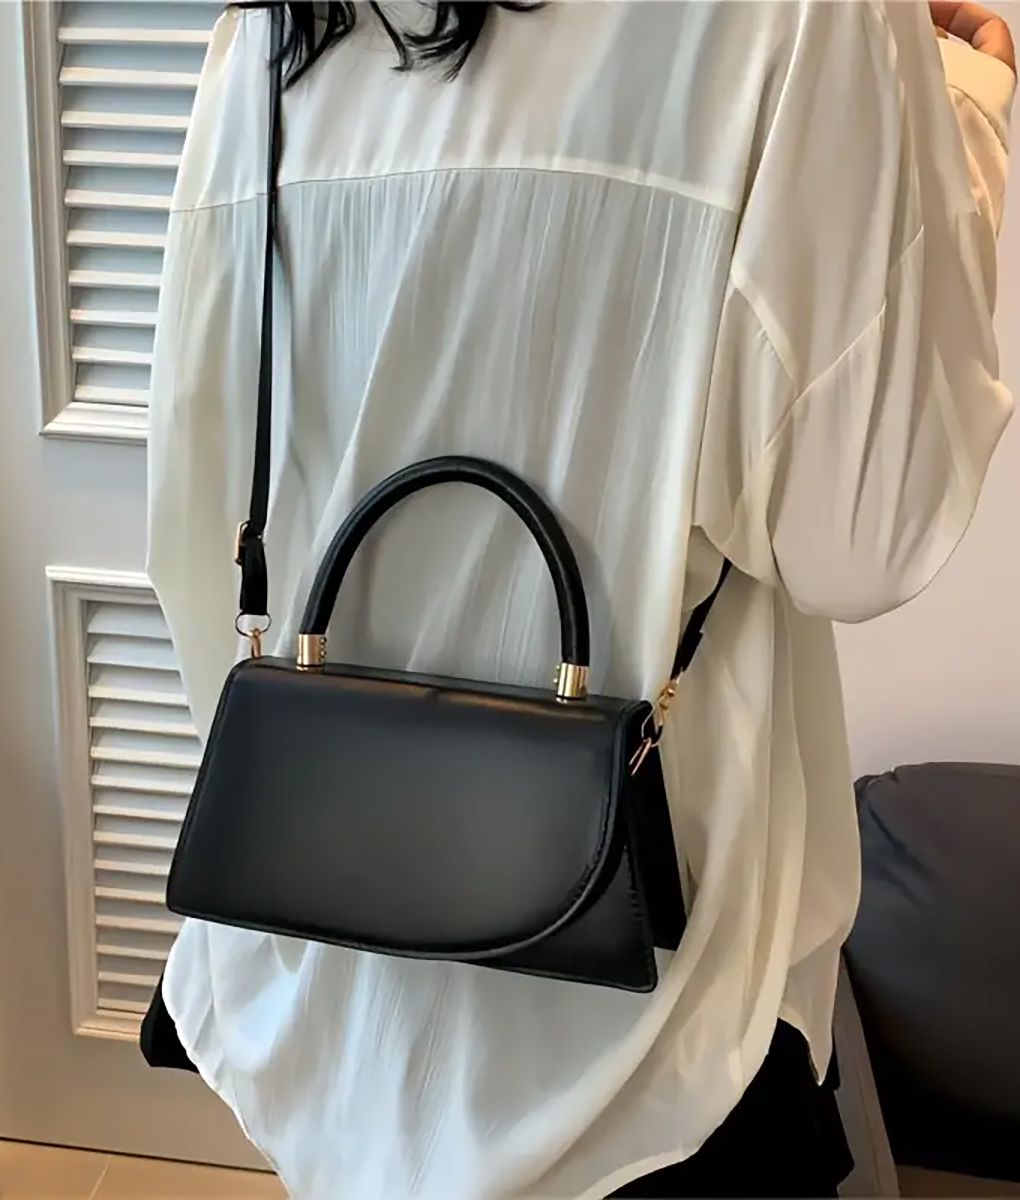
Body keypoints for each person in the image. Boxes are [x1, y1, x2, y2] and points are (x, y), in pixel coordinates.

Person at [146, 2, 1015, 1197]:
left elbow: (198, 524)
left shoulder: (271, 32)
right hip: (648, 1058)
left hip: (329, 1005)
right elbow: (863, 534)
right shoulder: (807, 19)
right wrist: (961, 106)